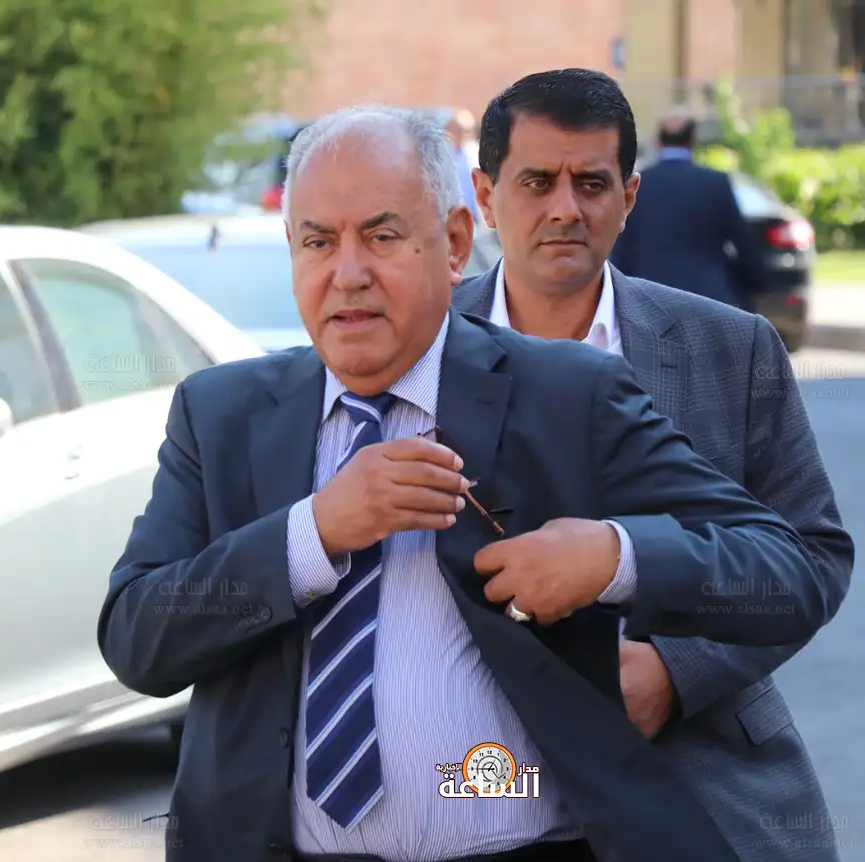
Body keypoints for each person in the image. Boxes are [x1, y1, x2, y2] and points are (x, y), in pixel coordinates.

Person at [97, 103, 837, 862]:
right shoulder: (221, 414)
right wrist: (312, 534)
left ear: (454, 244)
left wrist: (613, 559)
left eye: (382, 236)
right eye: (318, 242)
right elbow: (137, 640)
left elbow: (788, 570)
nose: (347, 274)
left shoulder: (567, 396)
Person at [456, 68, 853, 862]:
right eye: (536, 182)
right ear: (485, 195)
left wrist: (675, 672)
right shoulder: (421, 352)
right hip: (475, 783)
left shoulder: (731, 349)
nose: (565, 208)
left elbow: (812, 558)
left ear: (628, 197)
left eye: (591, 183)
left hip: (700, 779)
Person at [609, 106, 763, 309]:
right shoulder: (715, 183)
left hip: (648, 299)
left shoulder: (638, 185)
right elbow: (743, 242)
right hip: (707, 299)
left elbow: (621, 246)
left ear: (658, 140)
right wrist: (755, 285)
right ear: (693, 139)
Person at [443, 108, 480, 217]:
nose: (463, 134)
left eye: (468, 131)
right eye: (458, 130)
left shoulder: (475, 154)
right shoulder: (443, 154)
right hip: (451, 216)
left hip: (475, 217)